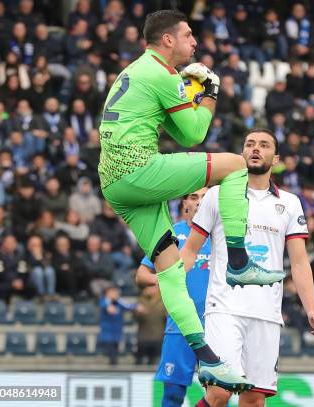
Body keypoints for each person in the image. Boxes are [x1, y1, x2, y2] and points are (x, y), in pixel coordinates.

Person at [97, 10, 283, 391]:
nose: (195, 43)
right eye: (188, 36)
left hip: (114, 182)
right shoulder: (163, 73)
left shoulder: (134, 72)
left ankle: (209, 359)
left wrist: (189, 96)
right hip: (136, 169)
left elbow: (175, 130)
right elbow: (194, 135)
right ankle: (238, 260)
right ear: (168, 40)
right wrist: (210, 92)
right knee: (235, 165)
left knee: (170, 271)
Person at [182, 129, 314, 407]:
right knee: (219, 392)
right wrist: (171, 284)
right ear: (242, 153)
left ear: (276, 159)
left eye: (263, 145)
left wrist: (311, 309)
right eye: (249, 144)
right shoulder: (217, 195)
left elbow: (298, 261)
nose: (255, 149)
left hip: (266, 313)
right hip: (224, 308)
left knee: (254, 399)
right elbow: (190, 249)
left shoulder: (289, 203)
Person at [135, 188, 211, 407]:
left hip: (217, 326)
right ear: (184, 204)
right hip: (180, 327)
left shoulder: (223, 236)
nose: (199, 202)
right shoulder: (172, 234)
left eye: (205, 198)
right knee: (173, 396)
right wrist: (165, 279)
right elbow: (141, 275)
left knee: (217, 396)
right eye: (194, 197)